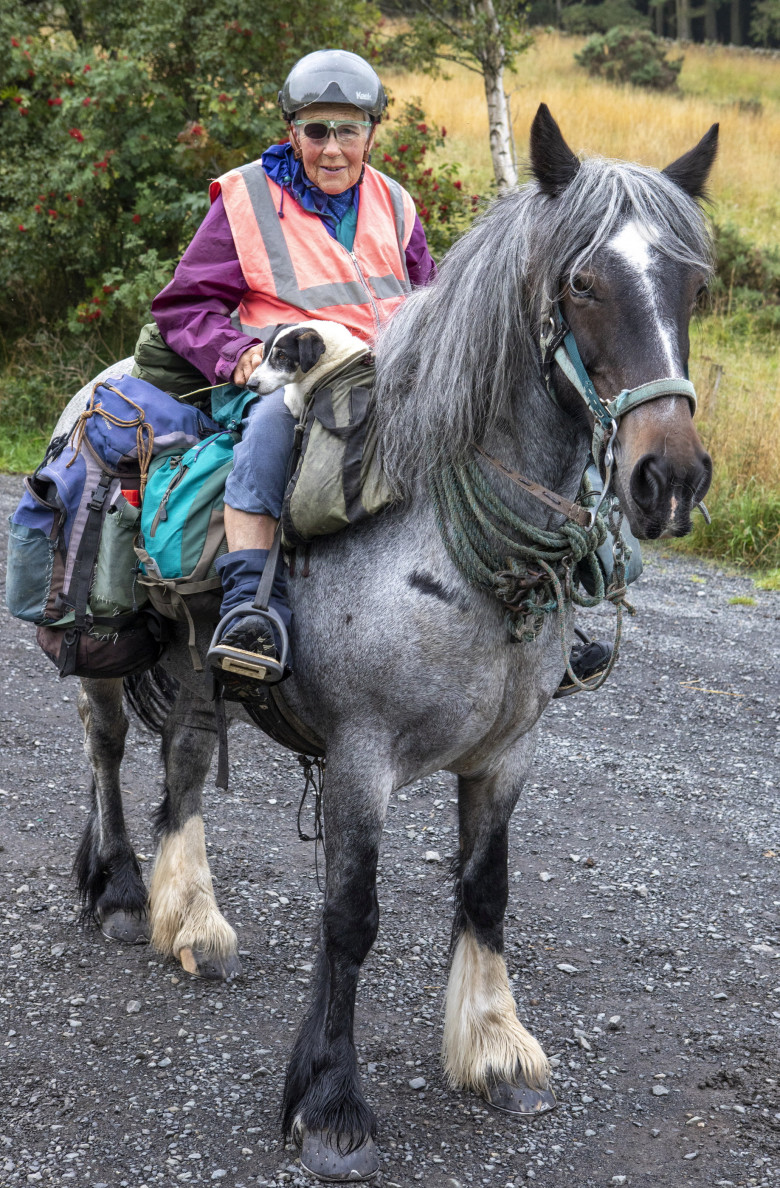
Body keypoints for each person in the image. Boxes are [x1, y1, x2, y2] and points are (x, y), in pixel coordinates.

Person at [152, 49, 435, 687]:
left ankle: (532, 593)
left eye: (348, 130)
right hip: (280, 374)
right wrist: (236, 355)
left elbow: (429, 297)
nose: (332, 149)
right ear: (292, 132)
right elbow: (186, 304)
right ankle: (249, 606)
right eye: (316, 130)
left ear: (371, 131)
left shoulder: (396, 202)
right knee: (276, 421)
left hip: (386, 376)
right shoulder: (246, 199)